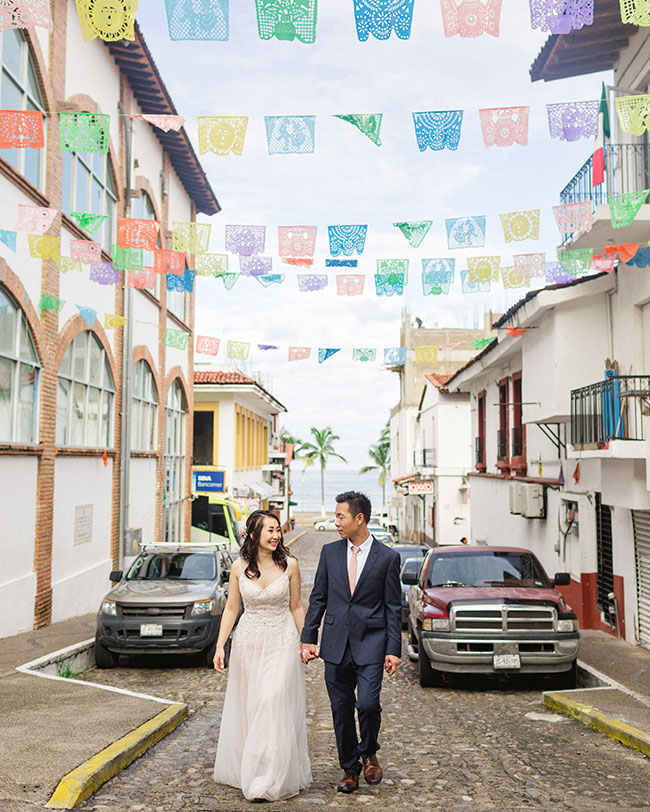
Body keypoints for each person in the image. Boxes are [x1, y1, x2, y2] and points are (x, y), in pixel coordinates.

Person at [301, 491, 402, 794]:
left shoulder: (388, 558)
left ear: (359, 518)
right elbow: (318, 598)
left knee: (368, 704)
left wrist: (393, 650)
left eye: (340, 516)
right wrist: (308, 638)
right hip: (334, 643)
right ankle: (350, 769)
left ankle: (369, 751)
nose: (336, 523)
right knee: (341, 710)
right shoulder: (329, 553)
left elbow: (393, 608)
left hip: (371, 641)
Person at [212, 510, 312, 802]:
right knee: (254, 706)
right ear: (254, 534)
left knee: (271, 700)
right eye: (269, 530)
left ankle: (268, 779)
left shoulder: (290, 565)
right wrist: (220, 646)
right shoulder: (238, 567)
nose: (276, 535)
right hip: (249, 642)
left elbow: (296, 606)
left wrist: (306, 641)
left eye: (278, 530)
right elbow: (232, 608)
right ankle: (253, 768)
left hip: (282, 640)